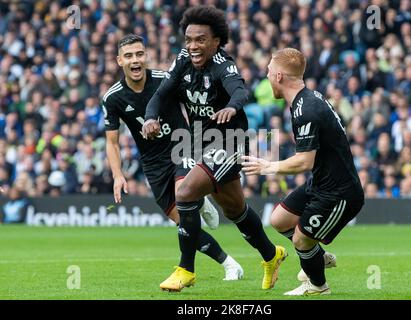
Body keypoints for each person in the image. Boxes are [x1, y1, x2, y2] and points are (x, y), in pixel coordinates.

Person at [142, 6, 286, 292]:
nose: (193, 46)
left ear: (216, 41)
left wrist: (231, 108)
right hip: (200, 140)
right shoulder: (182, 60)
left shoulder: (223, 65)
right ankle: (272, 256)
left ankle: (186, 269)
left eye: (200, 40)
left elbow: (240, 91)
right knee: (235, 209)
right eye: (189, 40)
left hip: (229, 141)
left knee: (184, 192)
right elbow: (160, 95)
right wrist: (149, 117)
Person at [103, 34, 243, 284]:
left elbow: (195, 104)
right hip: (153, 164)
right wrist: (117, 175)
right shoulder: (112, 97)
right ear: (119, 61)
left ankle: (195, 203)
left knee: (184, 197)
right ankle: (230, 264)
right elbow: (112, 142)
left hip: (182, 146)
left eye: (139, 54)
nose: (135, 60)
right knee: (185, 226)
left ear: (145, 56)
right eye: (128, 56)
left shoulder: (164, 80)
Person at [242, 48, 365, 296]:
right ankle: (318, 257)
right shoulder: (306, 98)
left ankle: (318, 286)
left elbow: (304, 162)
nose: (266, 76)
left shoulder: (306, 108)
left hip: (339, 193)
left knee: (301, 240)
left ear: (278, 76)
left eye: (268, 72)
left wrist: (269, 166)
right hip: (321, 183)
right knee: (279, 220)